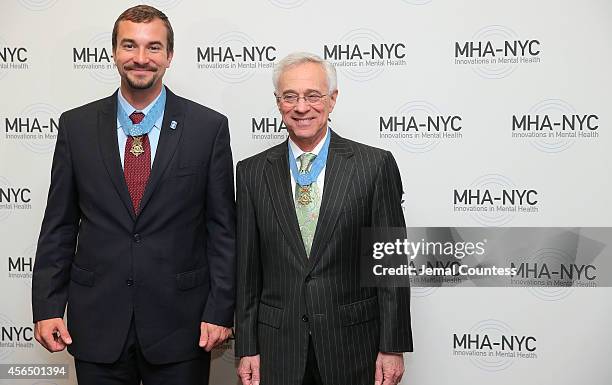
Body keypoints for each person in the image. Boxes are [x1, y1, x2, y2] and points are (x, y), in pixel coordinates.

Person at [31, 5, 235, 385]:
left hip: (182, 326)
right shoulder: (76, 126)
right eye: (130, 46)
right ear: (113, 52)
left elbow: (222, 231)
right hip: (97, 325)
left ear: (170, 56)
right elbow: (59, 225)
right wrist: (47, 305)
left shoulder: (208, 128)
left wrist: (221, 310)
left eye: (154, 48)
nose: (141, 59)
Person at [235, 52, 413, 385]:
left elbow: (390, 267)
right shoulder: (251, 173)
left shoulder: (373, 167)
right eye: (290, 97)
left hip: (353, 347)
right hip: (277, 350)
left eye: (313, 96)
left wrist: (393, 346)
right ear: (278, 103)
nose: (301, 107)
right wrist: (246, 346)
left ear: (332, 100)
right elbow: (247, 271)